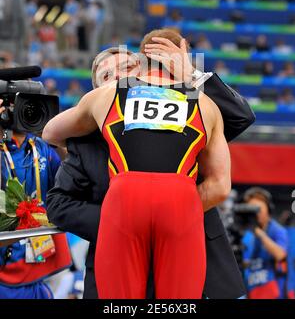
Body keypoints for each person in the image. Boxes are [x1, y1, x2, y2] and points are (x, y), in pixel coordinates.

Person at [47, 42, 254, 299]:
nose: (119, 77)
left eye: (127, 67)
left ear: (146, 72)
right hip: (115, 260)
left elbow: (240, 117)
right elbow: (58, 204)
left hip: (188, 255)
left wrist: (190, 74)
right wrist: (121, 220)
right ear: (98, 90)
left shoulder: (188, 105)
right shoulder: (85, 141)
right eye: (107, 76)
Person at [0, 102, 72, 299]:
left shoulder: (42, 147)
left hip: (39, 259)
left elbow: (70, 183)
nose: (26, 110)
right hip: (5, 259)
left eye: (29, 102)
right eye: (15, 104)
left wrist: (60, 141)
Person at [242, 187, 294, 299]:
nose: (255, 213)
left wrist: (260, 234)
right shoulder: (247, 234)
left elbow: (281, 254)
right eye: (250, 209)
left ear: (268, 209)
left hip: (276, 293)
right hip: (253, 291)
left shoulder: (278, 230)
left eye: (258, 208)